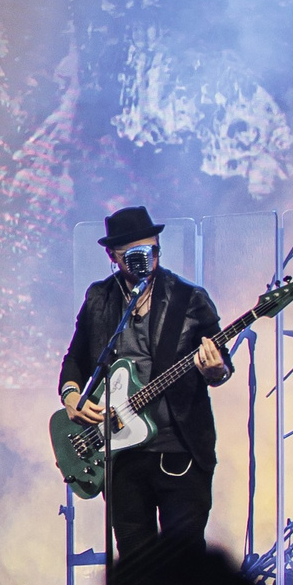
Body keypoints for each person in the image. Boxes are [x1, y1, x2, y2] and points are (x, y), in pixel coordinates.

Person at [57, 205, 233, 557]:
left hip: (178, 449)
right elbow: (76, 357)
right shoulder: (99, 298)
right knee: (136, 565)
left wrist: (216, 370)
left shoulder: (190, 299)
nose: (142, 260)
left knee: (184, 563)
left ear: (158, 247)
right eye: (131, 255)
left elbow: (221, 365)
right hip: (120, 454)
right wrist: (72, 394)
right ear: (111, 255)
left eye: (149, 251)